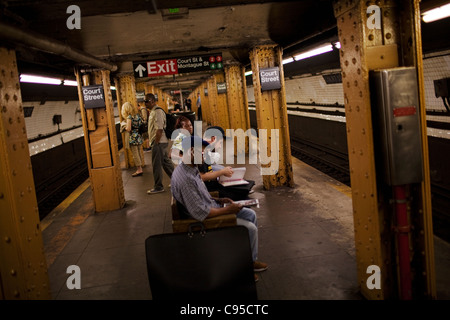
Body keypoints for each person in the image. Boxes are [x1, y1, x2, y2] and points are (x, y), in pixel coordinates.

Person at [170, 136, 268, 280]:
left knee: (250, 214)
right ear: (191, 152)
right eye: (202, 154)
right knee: (250, 228)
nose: (204, 158)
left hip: (211, 206)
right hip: (205, 220)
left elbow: (201, 197)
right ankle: (242, 268)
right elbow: (201, 213)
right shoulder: (186, 179)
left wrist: (219, 199)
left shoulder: (190, 169)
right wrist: (228, 210)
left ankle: (250, 261)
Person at [200, 126, 256, 200]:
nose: (220, 147)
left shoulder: (205, 151)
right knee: (243, 196)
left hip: (210, 185)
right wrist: (221, 172)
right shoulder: (201, 153)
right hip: (207, 190)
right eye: (220, 143)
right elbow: (201, 177)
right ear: (213, 139)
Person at [145, 93, 174, 194]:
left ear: (153, 101)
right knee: (165, 163)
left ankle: (158, 187)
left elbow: (159, 129)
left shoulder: (157, 112)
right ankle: (177, 180)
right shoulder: (153, 111)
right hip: (160, 142)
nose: (145, 104)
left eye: (146, 101)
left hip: (159, 142)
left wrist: (156, 142)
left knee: (156, 165)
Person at [121, 102, 144, 177]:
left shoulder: (129, 117)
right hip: (139, 136)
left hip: (133, 138)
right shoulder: (137, 115)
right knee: (138, 152)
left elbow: (128, 128)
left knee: (135, 154)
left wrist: (123, 125)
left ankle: (139, 169)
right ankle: (140, 168)